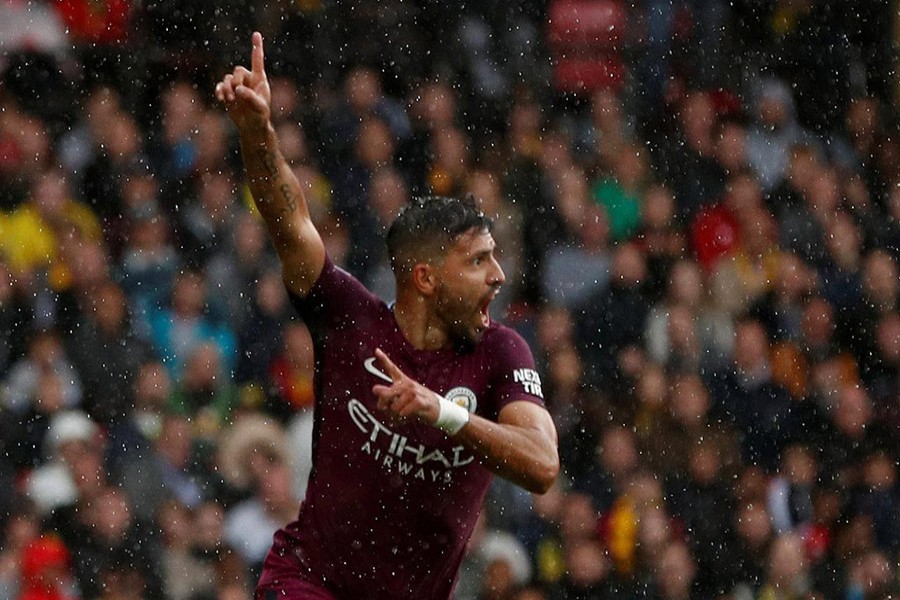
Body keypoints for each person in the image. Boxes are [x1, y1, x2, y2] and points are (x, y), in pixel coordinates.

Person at [214, 32, 560, 600]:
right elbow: (288, 219)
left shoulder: (501, 352)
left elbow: (542, 464)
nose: (499, 275)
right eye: (478, 260)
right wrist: (257, 132)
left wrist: (442, 412)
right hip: (309, 583)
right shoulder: (349, 319)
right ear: (426, 278)